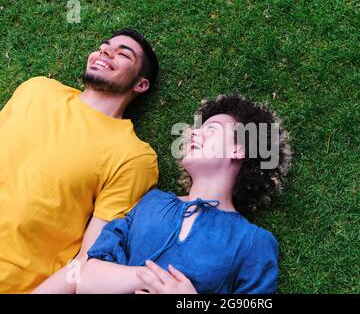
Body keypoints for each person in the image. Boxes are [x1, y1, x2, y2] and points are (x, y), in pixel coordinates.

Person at [76, 95, 291, 294]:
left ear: (239, 149)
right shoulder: (151, 201)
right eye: (196, 130)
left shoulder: (253, 241)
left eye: (212, 129)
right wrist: (151, 279)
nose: (194, 133)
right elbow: (85, 279)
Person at [0, 28, 159, 293]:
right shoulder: (37, 89)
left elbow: (87, 260)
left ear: (140, 84)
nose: (105, 51)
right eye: (104, 46)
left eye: (124, 54)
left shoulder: (134, 156)